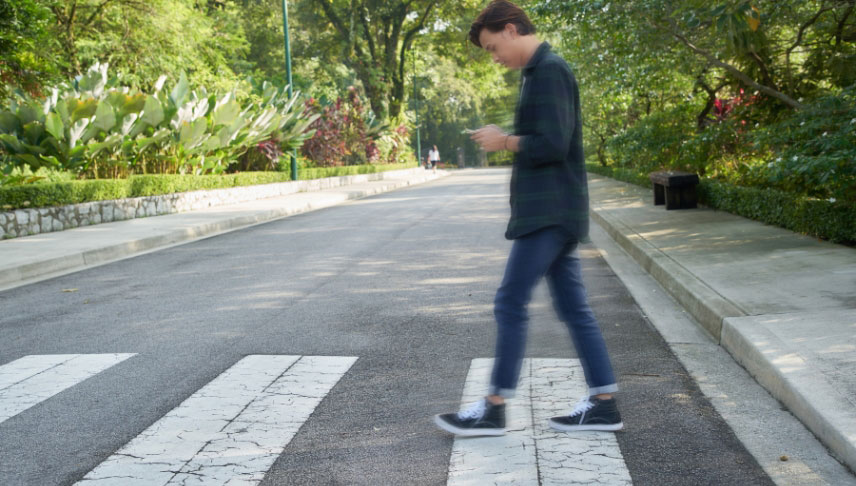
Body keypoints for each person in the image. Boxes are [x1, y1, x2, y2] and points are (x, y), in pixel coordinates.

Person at [434, 0, 622, 437]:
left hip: (549, 212)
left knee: (510, 301)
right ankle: (604, 403)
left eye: (493, 46)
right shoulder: (537, 72)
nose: (494, 58)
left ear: (512, 28)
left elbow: (554, 143)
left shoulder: (550, 71)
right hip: (553, 210)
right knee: (574, 308)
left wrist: (506, 142)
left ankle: (494, 407)